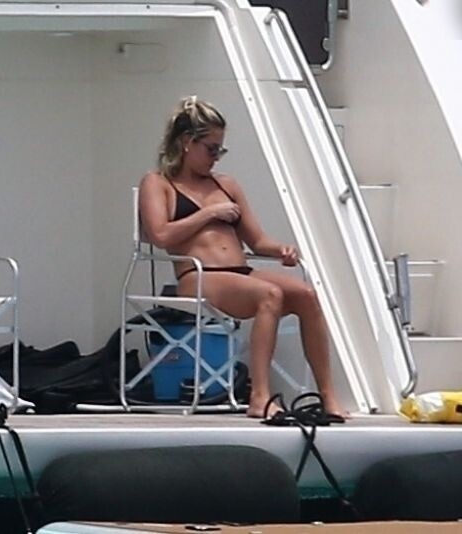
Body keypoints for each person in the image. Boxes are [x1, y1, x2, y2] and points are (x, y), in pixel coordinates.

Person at [138, 96, 347, 419]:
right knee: (270, 294)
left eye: (220, 150)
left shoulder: (226, 185)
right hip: (198, 275)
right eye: (211, 149)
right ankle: (259, 396)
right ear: (187, 142)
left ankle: (327, 394)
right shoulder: (159, 183)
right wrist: (208, 213)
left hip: (240, 272)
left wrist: (281, 250)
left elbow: (257, 240)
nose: (216, 158)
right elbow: (161, 236)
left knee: (306, 295)